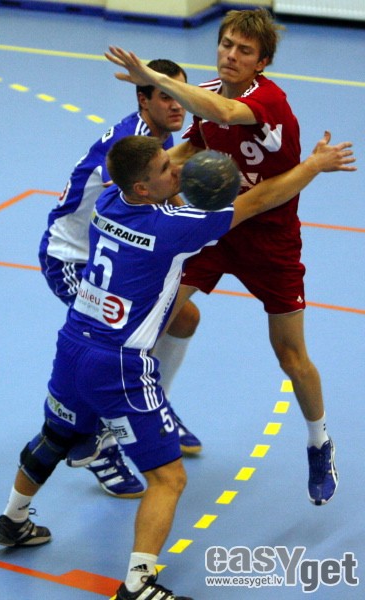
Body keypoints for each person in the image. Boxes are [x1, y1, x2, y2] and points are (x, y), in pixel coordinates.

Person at [0, 133, 355, 600]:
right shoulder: (172, 229)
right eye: (165, 168)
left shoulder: (109, 202)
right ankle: (139, 585)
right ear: (143, 187)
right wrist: (314, 165)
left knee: (55, 436)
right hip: (120, 364)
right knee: (169, 478)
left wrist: (187, 151)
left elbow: (156, 176)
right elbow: (259, 200)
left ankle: (13, 518)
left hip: (73, 345)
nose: (176, 168)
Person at [105, 8, 350, 506]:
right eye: (226, 45)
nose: (231, 55)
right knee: (156, 319)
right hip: (216, 232)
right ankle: (138, 415)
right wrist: (134, 183)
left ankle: (319, 442)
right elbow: (192, 145)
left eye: (244, 50)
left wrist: (153, 77)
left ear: (262, 62)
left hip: (271, 240)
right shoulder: (208, 94)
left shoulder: (267, 100)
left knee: (290, 355)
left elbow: (224, 115)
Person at [38, 59, 202, 501]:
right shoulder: (131, 145)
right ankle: (95, 443)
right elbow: (141, 209)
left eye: (180, 94)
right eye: (166, 96)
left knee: (183, 319)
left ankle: (152, 405)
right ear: (143, 100)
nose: (177, 104)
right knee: (113, 347)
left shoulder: (158, 141)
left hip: (108, 251)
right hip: (72, 257)